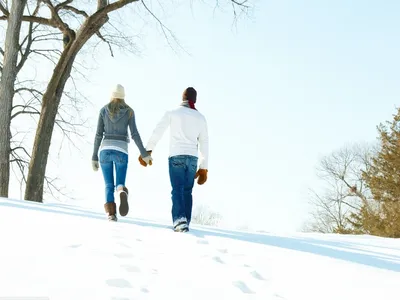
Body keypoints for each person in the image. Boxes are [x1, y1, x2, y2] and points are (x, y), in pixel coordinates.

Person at [138, 87, 209, 232]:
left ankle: (179, 220)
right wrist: (204, 167)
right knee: (187, 191)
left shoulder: (172, 113)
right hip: (192, 158)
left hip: (176, 155)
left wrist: (148, 150)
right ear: (194, 100)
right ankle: (185, 221)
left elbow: (158, 131)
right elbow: (204, 143)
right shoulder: (201, 118)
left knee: (177, 189)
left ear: (182, 98)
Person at [92, 84, 153, 221]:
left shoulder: (103, 110)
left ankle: (111, 214)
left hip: (105, 150)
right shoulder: (129, 111)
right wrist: (144, 154)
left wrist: (94, 156)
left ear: (112, 96)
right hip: (121, 151)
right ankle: (121, 191)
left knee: (108, 184)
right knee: (119, 183)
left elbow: (98, 135)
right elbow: (135, 134)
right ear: (123, 97)